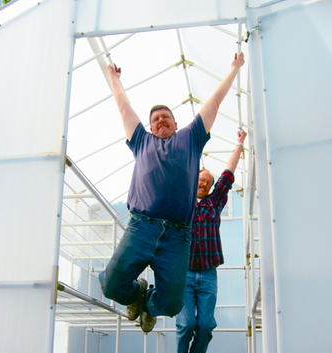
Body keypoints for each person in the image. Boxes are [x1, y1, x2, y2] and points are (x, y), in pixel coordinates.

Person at [99, 53, 245, 333]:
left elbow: (214, 101)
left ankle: (149, 306)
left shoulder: (190, 138)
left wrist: (234, 68)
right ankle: (137, 292)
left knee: (172, 304)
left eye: (166, 117)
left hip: (178, 235)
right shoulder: (141, 140)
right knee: (110, 284)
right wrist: (113, 78)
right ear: (150, 126)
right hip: (141, 227)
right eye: (155, 119)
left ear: (176, 124)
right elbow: (122, 106)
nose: (161, 120)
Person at [174, 128, 247, 353]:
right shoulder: (181, 202)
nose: (203, 182)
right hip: (183, 274)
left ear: (211, 186)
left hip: (207, 276)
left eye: (208, 181)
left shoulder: (215, 202)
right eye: (200, 179)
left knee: (205, 325)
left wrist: (239, 144)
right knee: (185, 323)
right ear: (193, 180)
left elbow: (228, 173)